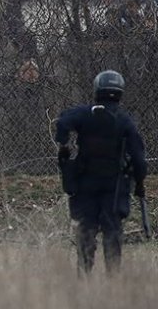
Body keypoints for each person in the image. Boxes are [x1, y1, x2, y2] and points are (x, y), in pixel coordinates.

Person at [55, 70, 147, 275]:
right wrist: (139, 183)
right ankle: (112, 277)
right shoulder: (125, 121)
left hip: (85, 184)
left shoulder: (85, 113)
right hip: (114, 187)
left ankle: (84, 274)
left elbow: (62, 123)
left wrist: (63, 145)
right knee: (112, 232)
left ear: (97, 89)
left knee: (86, 231)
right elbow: (139, 160)